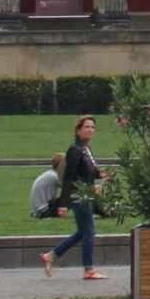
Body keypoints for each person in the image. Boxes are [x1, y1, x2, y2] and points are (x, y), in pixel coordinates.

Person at [42, 116, 109, 280]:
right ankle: (88, 269)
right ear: (78, 130)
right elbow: (69, 176)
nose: (90, 130)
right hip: (79, 195)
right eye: (86, 127)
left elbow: (87, 171)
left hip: (86, 194)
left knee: (83, 231)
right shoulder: (75, 149)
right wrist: (64, 204)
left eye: (92, 127)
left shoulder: (86, 148)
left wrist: (100, 174)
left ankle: (52, 255)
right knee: (90, 230)